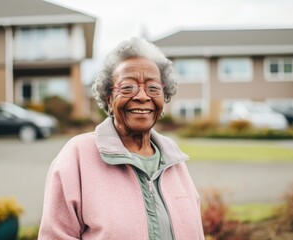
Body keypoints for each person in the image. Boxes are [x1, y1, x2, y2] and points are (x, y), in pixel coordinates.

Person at [38, 38, 204, 240]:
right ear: (109, 98)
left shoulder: (173, 160)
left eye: (153, 88)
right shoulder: (77, 156)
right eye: (127, 87)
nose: (143, 96)